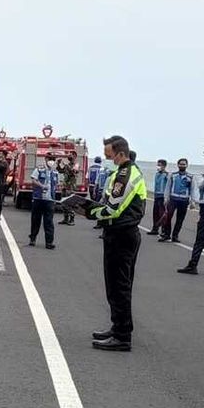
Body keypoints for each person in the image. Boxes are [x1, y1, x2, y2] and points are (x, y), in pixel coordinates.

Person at [84, 135, 146, 352]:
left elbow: (112, 208)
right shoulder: (125, 172)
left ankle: (122, 336)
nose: (107, 157)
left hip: (122, 234)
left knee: (119, 286)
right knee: (115, 285)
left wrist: (87, 211)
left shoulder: (125, 174)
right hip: (120, 233)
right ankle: (117, 326)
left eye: (109, 154)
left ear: (120, 153)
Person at [159, 158, 193, 243]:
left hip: (184, 200)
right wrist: (166, 198)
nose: (182, 165)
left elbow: (192, 189)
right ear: (178, 165)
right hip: (173, 199)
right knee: (168, 217)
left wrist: (193, 201)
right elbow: (168, 187)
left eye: (184, 164)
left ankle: (175, 236)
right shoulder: (173, 175)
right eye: (180, 164)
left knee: (180, 219)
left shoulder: (190, 177)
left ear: (187, 165)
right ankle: (166, 235)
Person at [29, 152, 58, 249]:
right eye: (50, 159)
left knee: (49, 222)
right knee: (35, 220)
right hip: (39, 198)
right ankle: (32, 239)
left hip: (50, 200)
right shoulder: (39, 169)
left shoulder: (55, 172)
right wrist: (41, 186)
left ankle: (49, 242)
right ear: (45, 159)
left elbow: (56, 184)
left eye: (53, 159)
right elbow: (33, 180)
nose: (51, 161)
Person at [57, 152, 79, 226]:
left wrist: (65, 165)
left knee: (70, 203)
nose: (69, 156)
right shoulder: (67, 165)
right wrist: (59, 164)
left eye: (71, 155)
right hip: (65, 186)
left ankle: (72, 219)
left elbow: (73, 172)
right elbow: (60, 170)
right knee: (63, 203)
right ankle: (65, 219)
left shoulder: (76, 165)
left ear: (75, 156)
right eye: (69, 155)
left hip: (71, 187)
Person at [147, 159, 169, 235]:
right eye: (158, 165)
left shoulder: (166, 175)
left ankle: (163, 230)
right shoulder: (157, 174)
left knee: (162, 214)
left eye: (160, 165)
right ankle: (155, 229)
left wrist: (167, 197)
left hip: (163, 197)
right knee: (155, 213)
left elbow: (169, 186)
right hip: (156, 196)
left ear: (164, 166)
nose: (158, 166)